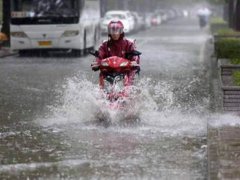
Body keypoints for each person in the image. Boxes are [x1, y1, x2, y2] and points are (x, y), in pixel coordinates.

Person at [91, 20, 140, 85]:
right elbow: (99, 55)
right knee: (102, 77)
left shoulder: (129, 44)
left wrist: (134, 62)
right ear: (109, 32)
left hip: (125, 72)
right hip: (108, 72)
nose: (115, 33)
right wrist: (96, 62)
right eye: (112, 31)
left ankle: (130, 91)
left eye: (117, 31)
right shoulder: (104, 45)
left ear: (121, 31)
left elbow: (135, 56)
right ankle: (102, 92)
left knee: (130, 82)